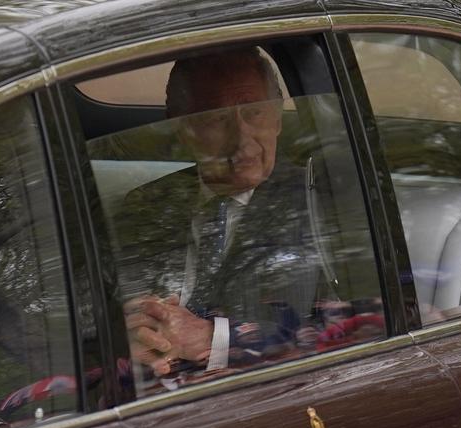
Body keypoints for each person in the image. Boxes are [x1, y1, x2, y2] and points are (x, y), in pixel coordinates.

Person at [116, 47, 329, 382]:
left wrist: (210, 339)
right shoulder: (147, 203)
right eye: (217, 118)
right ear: (181, 126)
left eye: (255, 112)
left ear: (277, 117)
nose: (242, 138)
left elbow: (352, 325)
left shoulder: (320, 198)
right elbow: (109, 309)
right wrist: (132, 335)